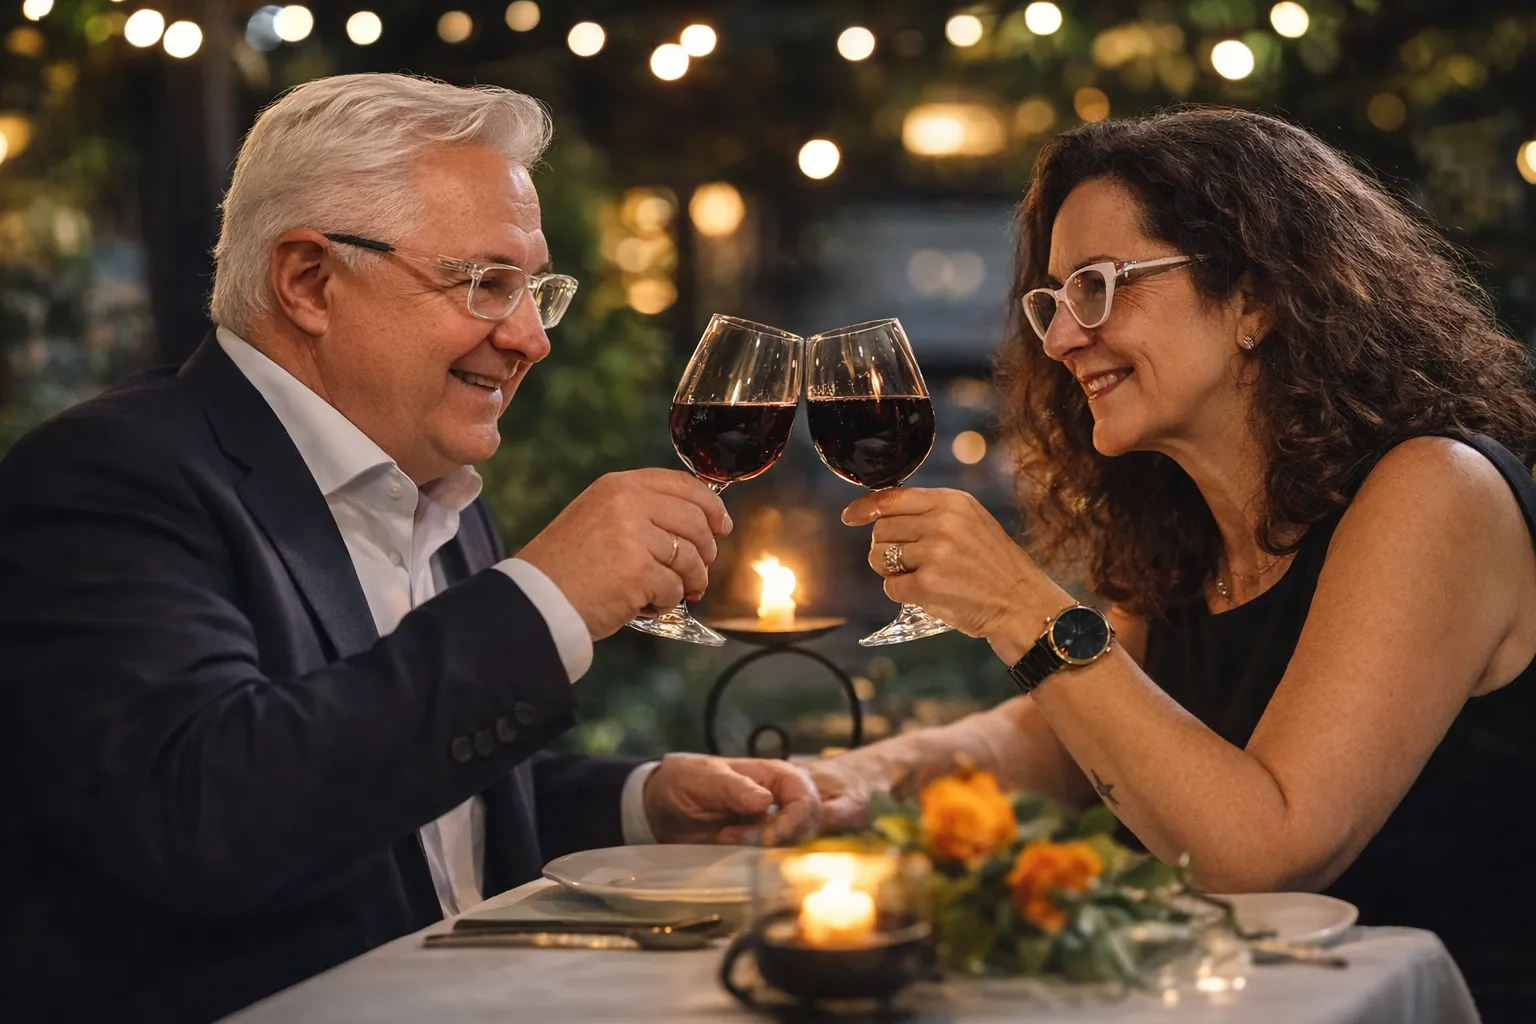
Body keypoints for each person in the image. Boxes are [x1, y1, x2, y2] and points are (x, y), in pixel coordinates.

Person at [0, 73, 819, 1023]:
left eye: (533, 290)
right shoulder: (110, 476)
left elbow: (400, 807)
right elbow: (210, 815)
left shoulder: (434, 481)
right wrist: (543, 600)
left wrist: (636, 805)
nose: (529, 340)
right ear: (308, 280)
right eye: (483, 284)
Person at [809, 107, 1536, 1020]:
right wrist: (848, 784)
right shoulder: (1186, 527)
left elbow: (1265, 857)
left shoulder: (1439, 490)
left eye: (1102, 286)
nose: (1062, 338)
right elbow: (1070, 744)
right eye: (1054, 301)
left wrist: (1020, 608)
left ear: (1256, 298)